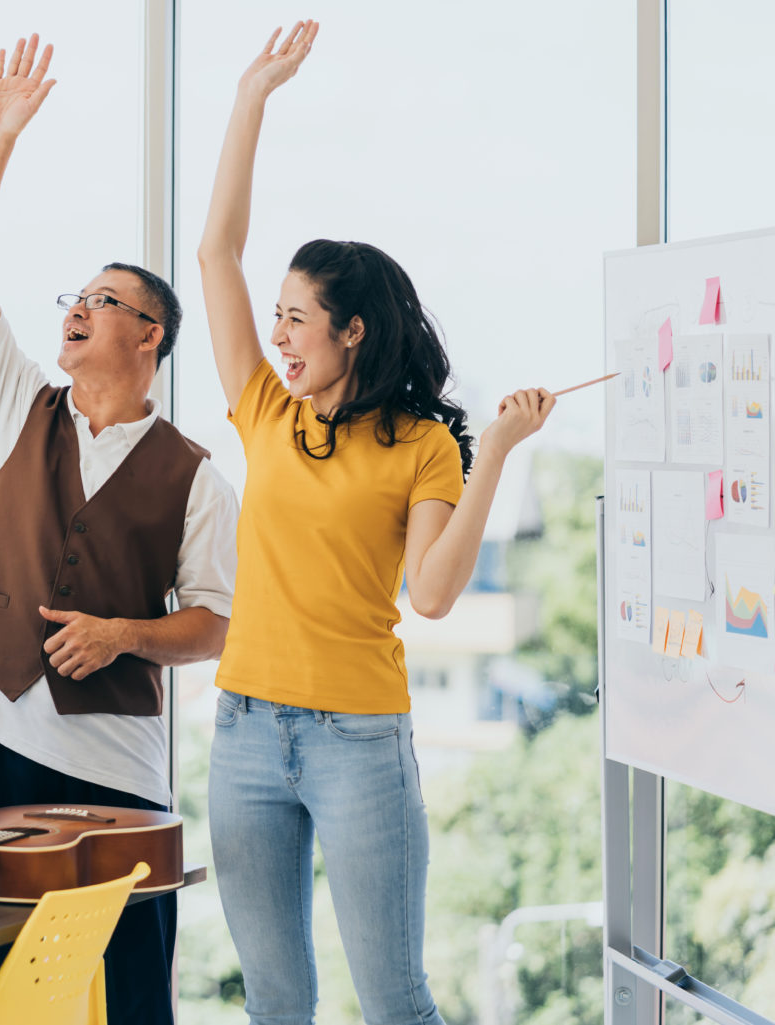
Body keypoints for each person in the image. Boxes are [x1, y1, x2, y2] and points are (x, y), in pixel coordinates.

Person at [197, 21, 556, 1025]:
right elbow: (215, 250)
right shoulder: (266, 409)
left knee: (394, 997)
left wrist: (498, 449)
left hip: (359, 737)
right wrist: (250, 99)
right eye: (274, 319)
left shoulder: (423, 445)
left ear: (351, 330)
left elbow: (434, 594)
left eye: (296, 320)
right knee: (274, 996)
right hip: (243, 734)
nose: (277, 337)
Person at [0, 36, 239, 1025]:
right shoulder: (18, 404)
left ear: (150, 335)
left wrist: (124, 636)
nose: (77, 310)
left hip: (112, 763)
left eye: (104, 301)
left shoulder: (196, 474)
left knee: (118, 991)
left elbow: (215, 625)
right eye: (76, 296)